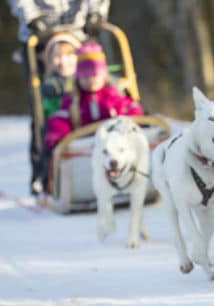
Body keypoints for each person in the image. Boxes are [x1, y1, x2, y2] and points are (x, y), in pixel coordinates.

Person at [6, 0, 110, 193]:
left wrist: (96, 12)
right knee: (43, 102)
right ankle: (42, 169)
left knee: (100, 86)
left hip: (78, 32)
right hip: (40, 35)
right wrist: (31, 17)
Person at [36, 41, 144, 193]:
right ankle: (55, 184)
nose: (91, 80)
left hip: (113, 146)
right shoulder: (73, 100)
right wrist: (58, 133)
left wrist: (131, 121)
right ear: (78, 79)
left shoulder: (113, 96)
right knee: (53, 136)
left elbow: (130, 107)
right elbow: (61, 118)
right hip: (85, 148)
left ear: (104, 76)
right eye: (85, 77)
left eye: (95, 76)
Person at [40, 32, 81, 119]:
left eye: (69, 55)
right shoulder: (50, 86)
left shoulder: (88, 80)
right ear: (50, 59)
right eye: (57, 56)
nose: (63, 62)